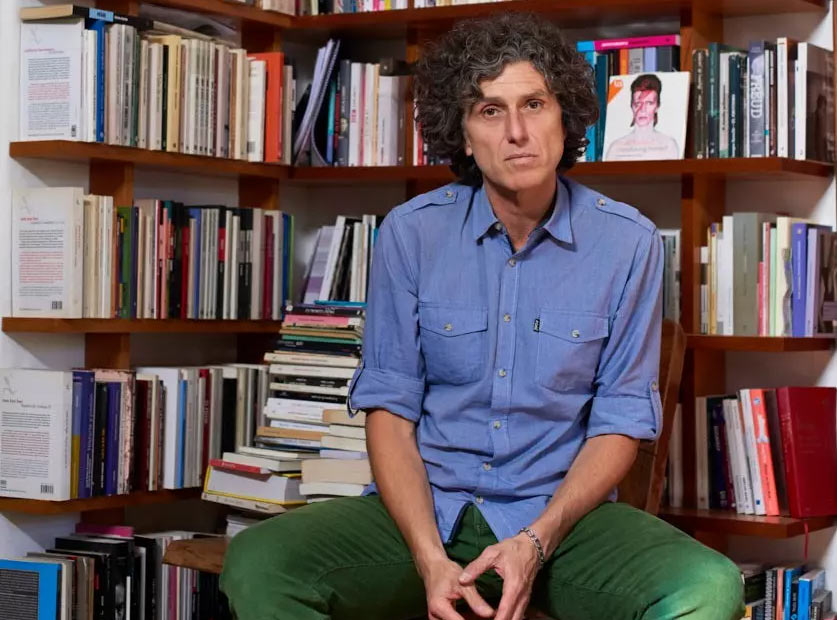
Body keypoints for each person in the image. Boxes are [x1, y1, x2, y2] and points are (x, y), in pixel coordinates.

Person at [221, 13, 743, 620]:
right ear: (464, 136)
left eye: (535, 105)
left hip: (563, 527)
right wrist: (428, 558)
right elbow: (390, 412)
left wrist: (534, 543)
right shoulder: (410, 235)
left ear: (565, 118)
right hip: (422, 517)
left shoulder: (629, 244)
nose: (517, 132)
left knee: (709, 587)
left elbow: (619, 424)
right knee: (258, 561)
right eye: (490, 111)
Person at [604, 73, 680, 161]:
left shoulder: (669, 146)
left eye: (649, 103)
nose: (642, 109)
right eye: (638, 103)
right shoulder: (616, 148)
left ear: (657, 106)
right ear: (632, 106)